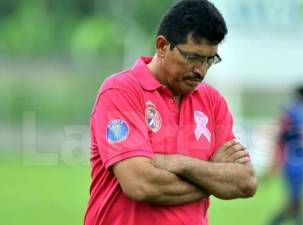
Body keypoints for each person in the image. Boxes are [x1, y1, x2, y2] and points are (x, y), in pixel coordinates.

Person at [84, 1, 257, 225]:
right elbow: (140, 184)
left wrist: (179, 163)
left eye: (209, 60)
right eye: (193, 57)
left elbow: (245, 182)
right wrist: (212, 174)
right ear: (162, 46)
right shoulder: (121, 90)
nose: (201, 70)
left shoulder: (211, 100)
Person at [266, 85, 303, 225]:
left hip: (296, 163)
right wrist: (274, 162)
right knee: (296, 204)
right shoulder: (295, 112)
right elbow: (282, 137)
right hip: (294, 164)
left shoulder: (293, 110)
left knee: (298, 204)